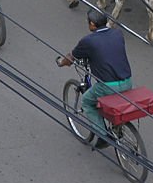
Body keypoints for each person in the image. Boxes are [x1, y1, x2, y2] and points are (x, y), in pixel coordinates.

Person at [56, 9, 132, 149]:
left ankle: (103, 136)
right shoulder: (117, 33)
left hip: (108, 86)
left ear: (92, 24)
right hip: (127, 81)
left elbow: (70, 58)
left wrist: (61, 63)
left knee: (87, 101)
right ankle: (116, 126)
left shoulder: (88, 41)